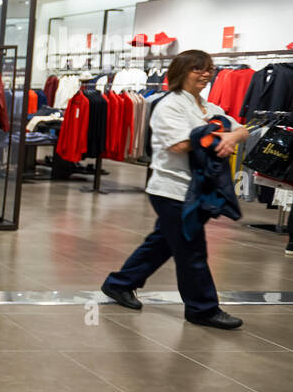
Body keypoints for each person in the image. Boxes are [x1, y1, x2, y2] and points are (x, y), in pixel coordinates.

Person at [102, 49, 250, 329]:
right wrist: (217, 133)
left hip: (197, 189)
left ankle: (119, 283)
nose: (206, 74)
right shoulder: (169, 106)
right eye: (199, 69)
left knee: (163, 242)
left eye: (209, 69)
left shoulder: (209, 107)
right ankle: (202, 309)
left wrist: (227, 134)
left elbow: (242, 130)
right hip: (172, 190)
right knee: (192, 251)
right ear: (181, 72)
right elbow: (179, 145)